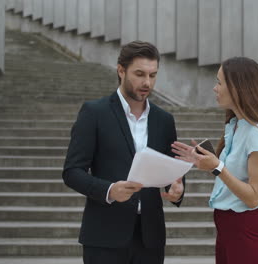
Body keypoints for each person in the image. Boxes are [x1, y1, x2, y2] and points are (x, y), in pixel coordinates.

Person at [63, 41, 184, 264]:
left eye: (153, 75)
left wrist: (176, 188)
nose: (147, 82)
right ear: (121, 70)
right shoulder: (94, 113)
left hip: (150, 239)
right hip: (104, 237)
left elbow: (170, 169)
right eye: (139, 74)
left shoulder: (165, 120)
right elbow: (72, 171)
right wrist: (109, 190)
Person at [171, 57, 258, 264]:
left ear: (237, 87)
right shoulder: (236, 125)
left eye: (219, 82)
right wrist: (206, 162)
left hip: (244, 227)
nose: (215, 88)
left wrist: (217, 167)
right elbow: (231, 174)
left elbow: (253, 198)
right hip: (226, 225)